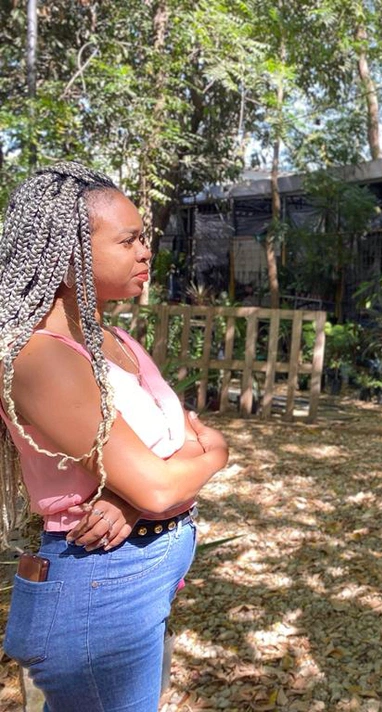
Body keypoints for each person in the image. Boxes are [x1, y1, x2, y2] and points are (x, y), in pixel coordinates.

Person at [0, 162, 230, 711]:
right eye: (128, 240)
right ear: (67, 253)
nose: (147, 251)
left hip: (129, 587)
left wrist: (132, 493)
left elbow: (168, 453)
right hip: (98, 598)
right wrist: (212, 455)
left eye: (144, 237)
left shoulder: (114, 338)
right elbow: (164, 476)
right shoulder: (42, 358)